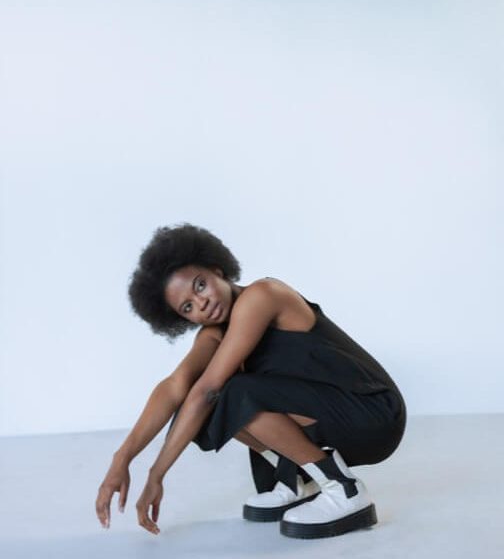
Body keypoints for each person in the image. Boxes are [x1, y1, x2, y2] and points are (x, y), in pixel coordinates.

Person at [95, 222, 407, 539]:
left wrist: (156, 475)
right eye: (188, 307)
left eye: (200, 285)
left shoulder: (262, 295)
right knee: (204, 409)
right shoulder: (214, 334)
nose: (201, 303)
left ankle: (344, 488)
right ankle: (300, 479)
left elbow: (208, 390)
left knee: (230, 393)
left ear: (217, 270)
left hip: (373, 414)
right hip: (333, 416)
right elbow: (176, 386)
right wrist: (123, 458)